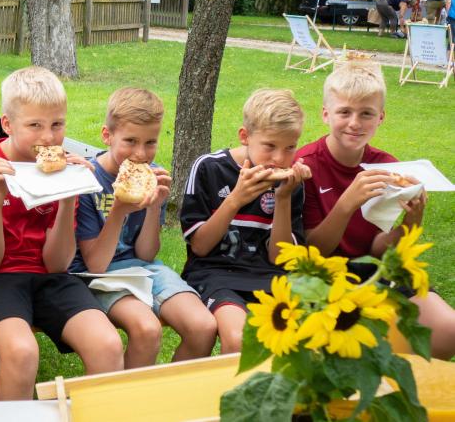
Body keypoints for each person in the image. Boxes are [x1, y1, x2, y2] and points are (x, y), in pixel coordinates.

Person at [0, 67, 123, 401]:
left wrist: (69, 194)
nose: (48, 138)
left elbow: (58, 264)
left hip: (48, 276)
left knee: (107, 344)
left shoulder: (68, 172)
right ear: (7, 124)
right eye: (35, 125)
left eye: (57, 125)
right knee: (21, 352)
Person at [296, 59, 455, 359]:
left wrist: (411, 220)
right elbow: (313, 249)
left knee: (448, 330)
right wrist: (346, 203)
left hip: (370, 270)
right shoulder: (307, 165)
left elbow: (379, 249)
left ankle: (400, 387)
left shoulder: (387, 166)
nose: (355, 123)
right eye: (344, 112)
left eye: (366, 114)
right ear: (326, 114)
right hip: (321, 275)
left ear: (380, 118)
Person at [69, 88, 217, 369]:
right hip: (97, 275)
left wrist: (153, 207)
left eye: (150, 142)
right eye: (130, 141)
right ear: (107, 135)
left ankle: (163, 403)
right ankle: (126, 406)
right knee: (147, 329)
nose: (140, 154)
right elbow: (97, 264)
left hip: (142, 267)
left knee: (203, 326)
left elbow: (147, 254)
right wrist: (119, 210)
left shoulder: (154, 174)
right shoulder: (87, 181)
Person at [179, 89, 311, 354]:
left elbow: (280, 259)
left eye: (290, 148)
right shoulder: (209, 167)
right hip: (216, 274)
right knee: (239, 339)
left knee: (309, 338)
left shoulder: (291, 182)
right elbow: (200, 248)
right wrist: (235, 199)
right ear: (245, 136)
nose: (279, 158)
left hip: (272, 278)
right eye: (270, 146)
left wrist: (283, 199)